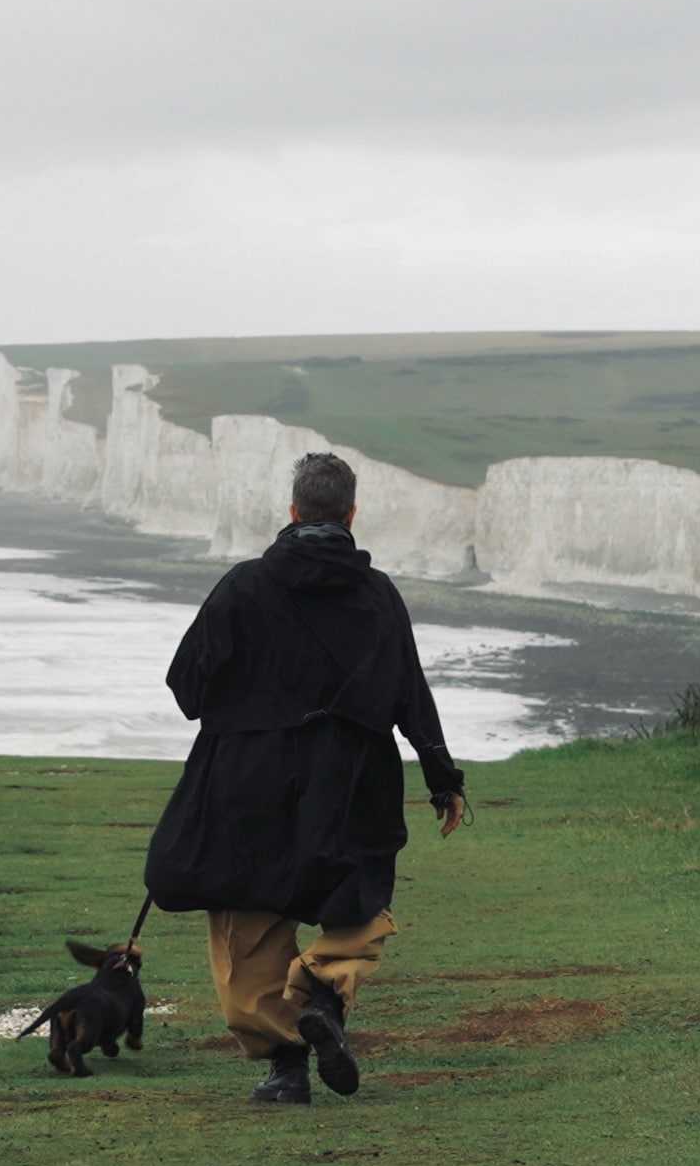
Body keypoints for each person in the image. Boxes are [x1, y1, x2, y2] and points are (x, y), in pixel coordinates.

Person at [141, 450, 469, 1104]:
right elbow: (411, 692)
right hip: (351, 779)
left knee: (249, 923)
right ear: (350, 514)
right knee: (359, 899)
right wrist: (443, 779)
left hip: (248, 778)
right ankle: (322, 990)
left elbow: (187, 688)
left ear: (293, 512)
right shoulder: (376, 596)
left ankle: (286, 1068)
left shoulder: (243, 586)